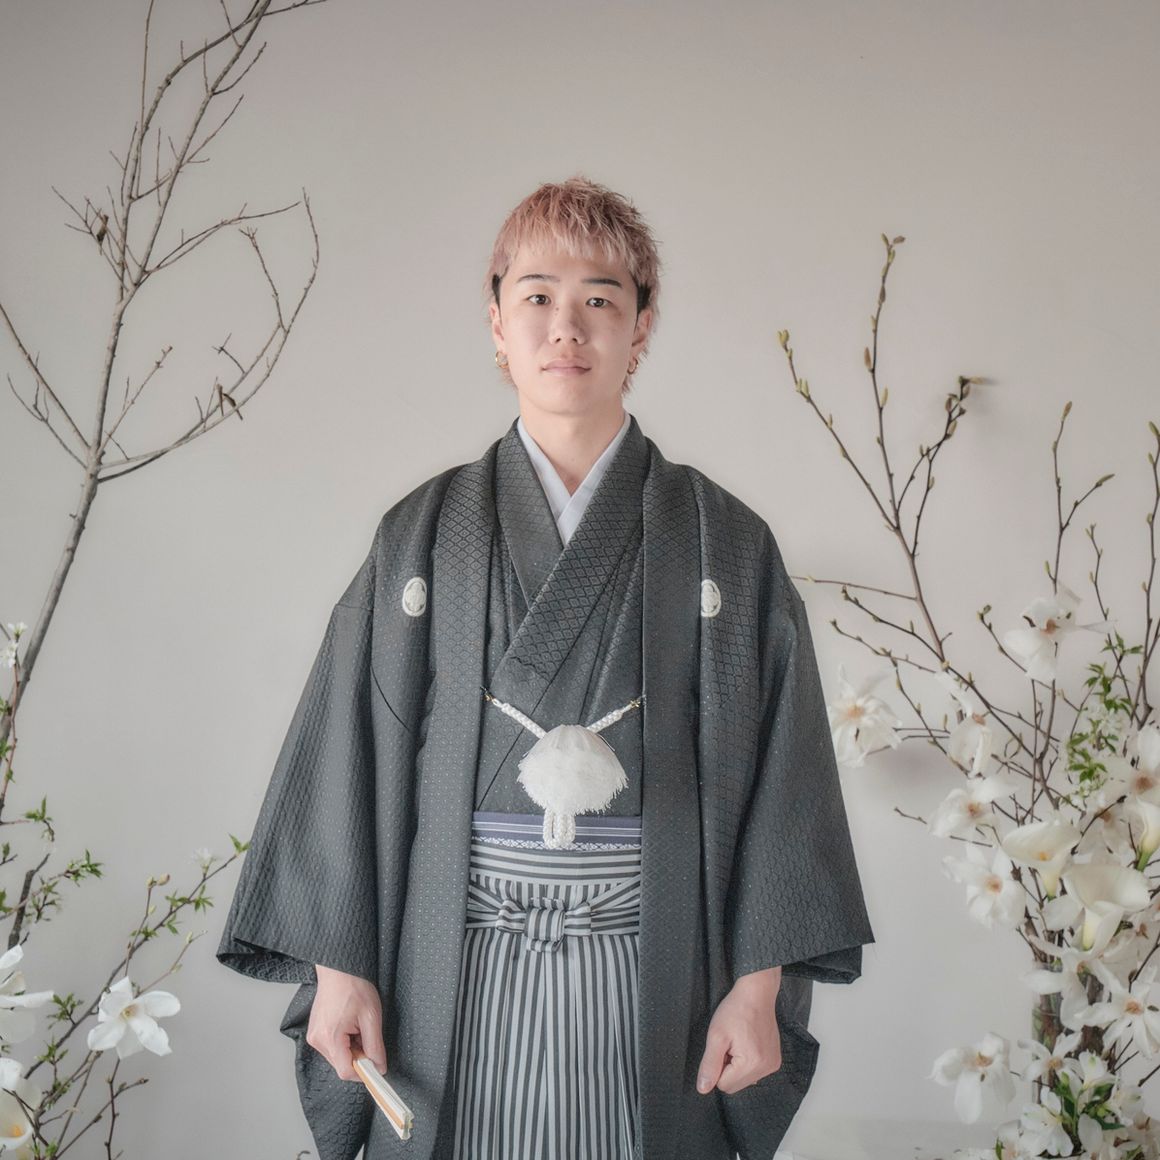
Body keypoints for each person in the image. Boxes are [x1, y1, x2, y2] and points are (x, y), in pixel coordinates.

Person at [217, 174, 875, 1160]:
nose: (566, 326)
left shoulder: (723, 541)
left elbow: (785, 781)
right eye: (536, 297)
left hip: (654, 974)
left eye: (599, 299)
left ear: (640, 327)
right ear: (495, 321)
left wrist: (758, 982)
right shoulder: (423, 534)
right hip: (450, 969)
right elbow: (346, 756)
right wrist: (340, 967)